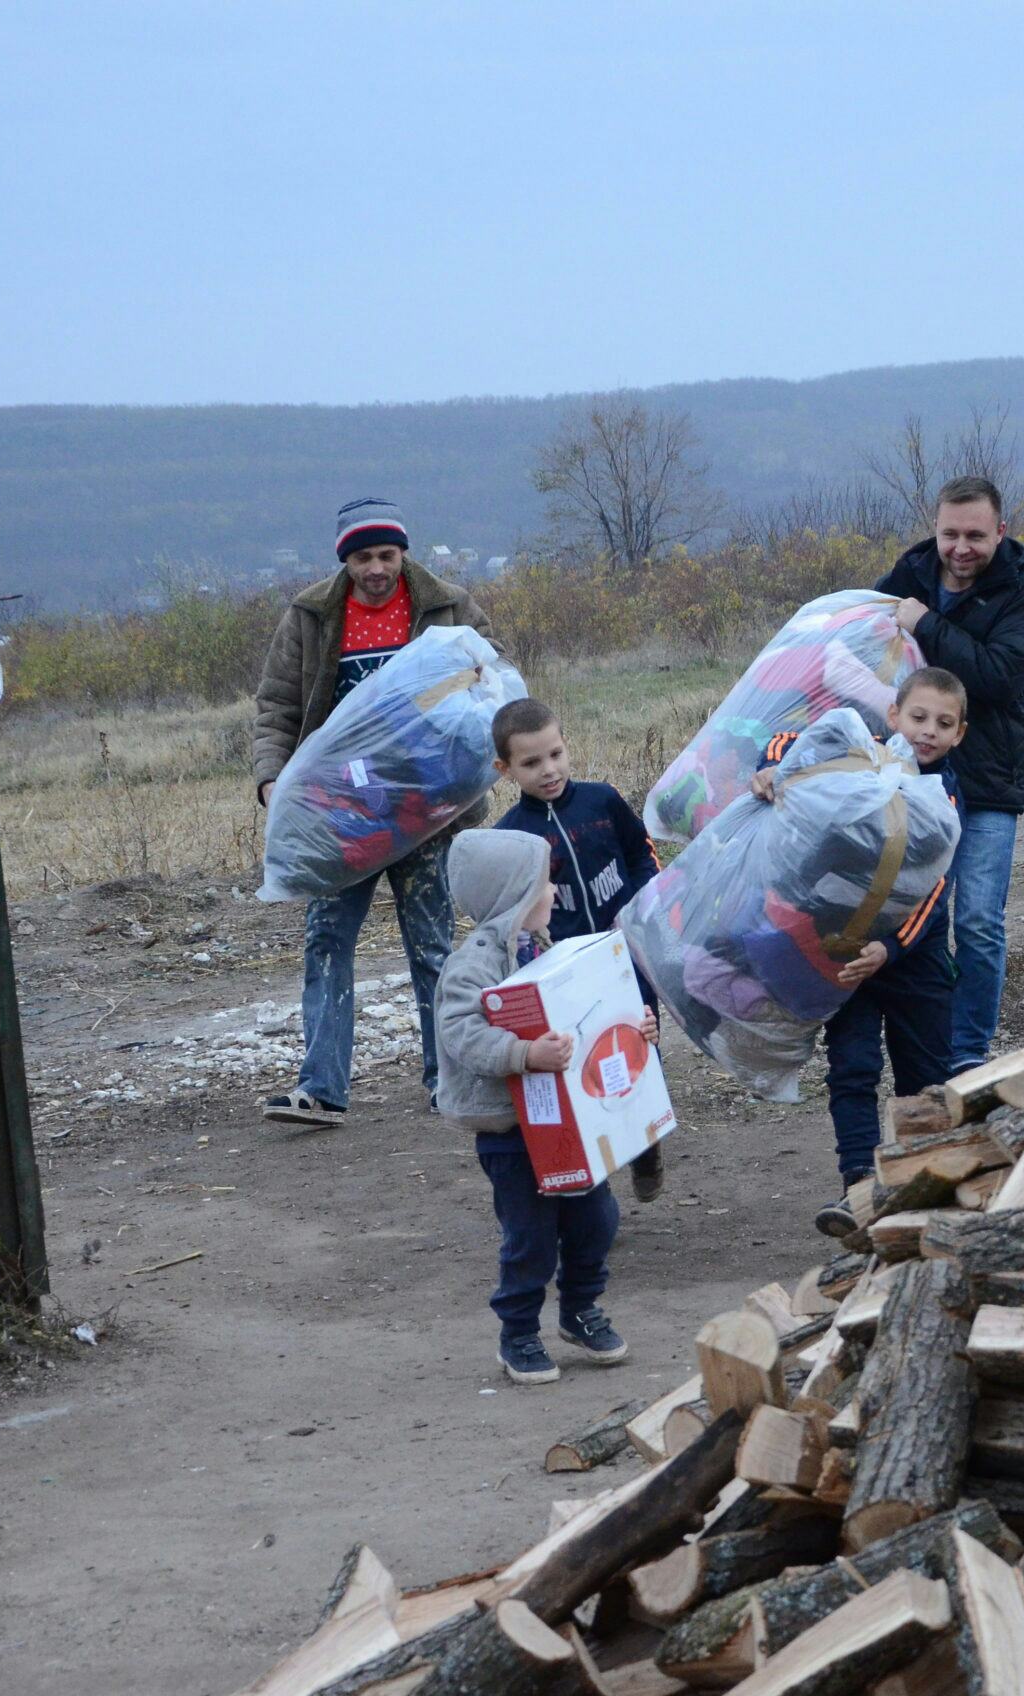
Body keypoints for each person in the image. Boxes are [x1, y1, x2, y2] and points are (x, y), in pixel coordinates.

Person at [253, 496, 498, 1127]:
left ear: (403, 553)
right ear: (345, 560)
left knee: (433, 946)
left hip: (428, 810)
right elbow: (278, 704)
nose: (376, 568)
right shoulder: (310, 616)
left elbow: (487, 681)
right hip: (340, 819)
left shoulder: (447, 606)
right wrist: (271, 780)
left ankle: (448, 1079)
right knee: (326, 940)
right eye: (363, 557)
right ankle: (322, 1088)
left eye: (387, 555)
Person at [749, 669, 967, 1238]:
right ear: (892, 717)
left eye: (943, 724)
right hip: (841, 954)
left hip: (911, 962)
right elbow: (786, 741)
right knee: (851, 1069)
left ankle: (924, 1181)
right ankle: (857, 1188)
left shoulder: (943, 794)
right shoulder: (862, 753)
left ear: (959, 735)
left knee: (926, 1078)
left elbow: (934, 888)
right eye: (918, 717)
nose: (928, 731)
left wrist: (890, 949)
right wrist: (769, 770)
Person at [434, 828, 653, 1385]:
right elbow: (459, 1032)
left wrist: (634, 1027)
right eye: (543, 883)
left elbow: (587, 1014)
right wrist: (524, 1053)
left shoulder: (549, 951)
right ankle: (519, 1333)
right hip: (510, 1131)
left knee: (595, 1219)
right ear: (512, 895)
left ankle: (580, 1309)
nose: (554, 891)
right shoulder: (473, 967)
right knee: (530, 1235)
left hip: (565, 1123)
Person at [875, 476, 1024, 1070]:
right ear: (936, 527)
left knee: (977, 922)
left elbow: (1000, 677)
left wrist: (925, 624)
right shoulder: (908, 576)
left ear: (1001, 532)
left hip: (987, 786)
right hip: (914, 786)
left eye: (975, 536)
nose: (960, 548)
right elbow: (862, 654)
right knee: (918, 921)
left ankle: (969, 1055)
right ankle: (926, 1050)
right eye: (949, 533)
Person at [489, 696, 668, 1201]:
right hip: (563, 974)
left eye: (556, 754)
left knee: (639, 1045)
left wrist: (638, 906)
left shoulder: (602, 800)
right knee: (580, 1066)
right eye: (531, 763)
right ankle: (597, 1183)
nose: (549, 770)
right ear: (505, 770)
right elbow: (510, 912)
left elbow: (642, 852)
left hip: (626, 957)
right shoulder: (512, 837)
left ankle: (646, 1141)